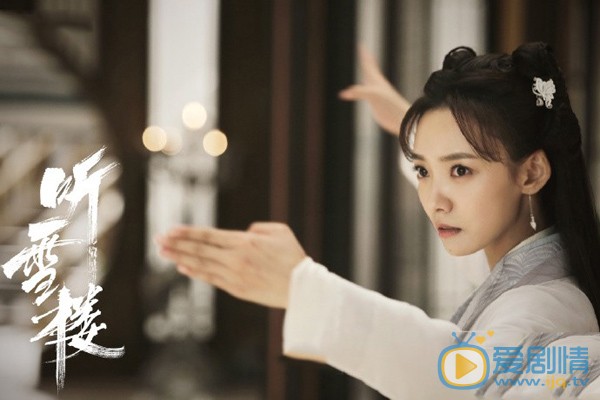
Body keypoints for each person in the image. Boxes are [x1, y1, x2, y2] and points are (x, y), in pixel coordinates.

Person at [156, 42, 600, 398]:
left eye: (460, 171)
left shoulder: (545, 306)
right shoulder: (529, 272)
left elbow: (449, 373)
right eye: (423, 171)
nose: (435, 201)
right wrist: (411, 129)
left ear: (531, 173)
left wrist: (307, 288)